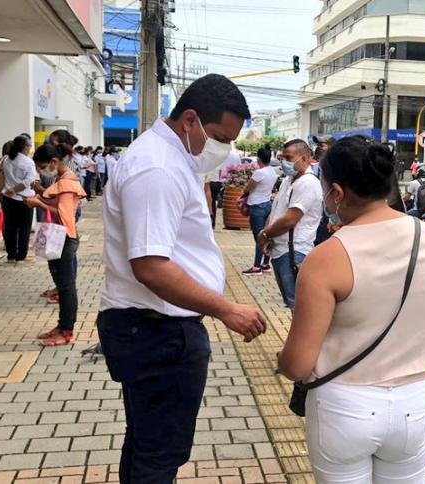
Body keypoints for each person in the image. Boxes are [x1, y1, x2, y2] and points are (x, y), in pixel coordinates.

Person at [96, 74, 267, 482]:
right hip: (156, 330)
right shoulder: (157, 167)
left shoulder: (171, 159)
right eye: (220, 137)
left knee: (148, 442)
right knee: (159, 454)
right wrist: (227, 309)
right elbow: (151, 266)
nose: (224, 149)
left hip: (153, 327)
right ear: (189, 120)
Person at [277, 135, 425, 483]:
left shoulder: (327, 258)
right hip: (413, 404)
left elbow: (297, 363)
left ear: (338, 193)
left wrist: (282, 360)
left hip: (344, 407)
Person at [25, 144, 87, 346]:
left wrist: (39, 204)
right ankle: (61, 326)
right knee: (62, 285)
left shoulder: (67, 182)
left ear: (54, 162)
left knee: (66, 287)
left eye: (42, 166)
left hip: (65, 238)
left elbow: (63, 214)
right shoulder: (61, 179)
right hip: (60, 237)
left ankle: (67, 330)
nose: (41, 170)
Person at [259, 139, 323, 309]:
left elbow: (290, 219)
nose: (284, 162)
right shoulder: (289, 180)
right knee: (292, 303)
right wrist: (267, 233)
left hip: (295, 252)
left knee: (299, 307)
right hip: (281, 250)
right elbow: (276, 211)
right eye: (283, 157)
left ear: (304, 158)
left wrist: (265, 234)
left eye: (289, 157)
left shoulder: (308, 183)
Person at [0, 134, 38, 263]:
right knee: (24, 228)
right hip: (24, 199)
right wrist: (15, 189)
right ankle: (21, 255)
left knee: (10, 226)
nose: (30, 148)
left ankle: (10, 254)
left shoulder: (6, 159)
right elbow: (30, 180)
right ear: (24, 147)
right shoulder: (28, 162)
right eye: (29, 145)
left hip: (8, 198)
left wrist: (11, 190)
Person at [241, 144, 278, 275]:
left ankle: (256, 267)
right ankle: (265, 263)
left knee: (259, 237)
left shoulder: (259, 173)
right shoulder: (272, 171)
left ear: (258, 159)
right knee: (267, 235)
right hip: (267, 205)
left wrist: (243, 192)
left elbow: (248, 188)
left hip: (257, 207)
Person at [204, 149, 238, 229]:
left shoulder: (206, 161)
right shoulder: (218, 161)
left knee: (208, 201)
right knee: (213, 201)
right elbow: (220, 172)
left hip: (208, 181)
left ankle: (209, 220)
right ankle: (213, 222)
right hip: (216, 182)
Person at [312, 135, 335, 246]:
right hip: (317, 212)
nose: (318, 148)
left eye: (321, 145)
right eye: (317, 146)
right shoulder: (314, 168)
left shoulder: (337, 168)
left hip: (331, 214)